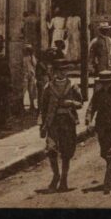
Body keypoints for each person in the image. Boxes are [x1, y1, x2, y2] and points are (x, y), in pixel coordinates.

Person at [38, 57, 83, 192]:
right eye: (59, 70)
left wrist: (71, 103)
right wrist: (41, 126)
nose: (62, 73)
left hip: (68, 122)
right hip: (53, 122)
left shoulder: (73, 85)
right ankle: (56, 175)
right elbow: (43, 108)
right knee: (51, 150)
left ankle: (64, 178)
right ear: (54, 71)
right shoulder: (48, 87)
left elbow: (80, 103)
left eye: (64, 70)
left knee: (66, 152)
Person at [23, 44, 39, 112]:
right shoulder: (23, 58)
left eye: (29, 50)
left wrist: (32, 56)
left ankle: (32, 105)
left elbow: (35, 64)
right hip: (25, 75)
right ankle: (22, 105)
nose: (28, 51)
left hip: (31, 75)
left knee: (31, 91)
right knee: (24, 90)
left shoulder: (32, 57)